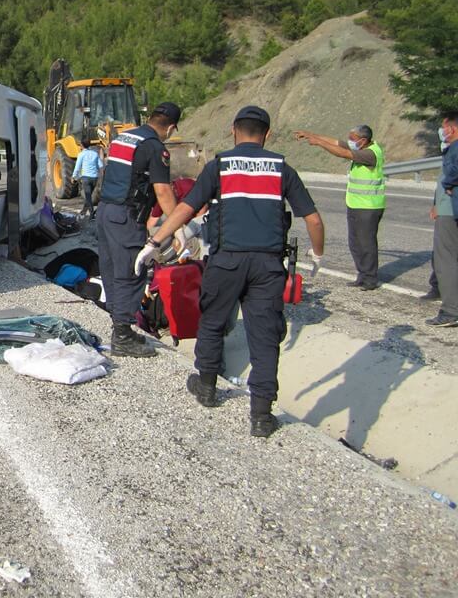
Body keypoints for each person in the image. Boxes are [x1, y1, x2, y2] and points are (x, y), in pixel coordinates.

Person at [136, 106, 325, 437]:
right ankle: (262, 415)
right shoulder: (283, 169)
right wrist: (318, 254)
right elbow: (313, 219)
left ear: (234, 131)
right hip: (267, 265)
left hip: (226, 262)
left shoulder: (219, 166)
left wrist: (155, 242)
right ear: (266, 135)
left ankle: (206, 386)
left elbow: (185, 208)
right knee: (264, 336)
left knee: (212, 321)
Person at [97, 101, 183, 357]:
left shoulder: (124, 137)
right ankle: (122, 336)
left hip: (105, 212)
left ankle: (119, 325)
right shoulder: (154, 146)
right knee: (131, 272)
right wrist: (177, 226)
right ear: (172, 127)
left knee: (111, 269)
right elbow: (163, 191)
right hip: (126, 215)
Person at [293, 124, 385, 290]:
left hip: (368, 206)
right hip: (356, 204)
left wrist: (319, 143)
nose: (349, 141)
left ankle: (370, 278)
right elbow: (337, 143)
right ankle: (362, 275)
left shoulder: (370, 153)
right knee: (355, 242)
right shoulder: (362, 147)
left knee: (366, 243)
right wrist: (311, 135)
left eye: (353, 139)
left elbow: (343, 152)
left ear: (363, 140)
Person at [427, 112, 458, 328]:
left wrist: (447, 184)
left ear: (452, 129)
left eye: (443, 127)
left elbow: (452, 173)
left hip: (450, 210)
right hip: (447, 207)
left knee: (445, 259)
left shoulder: (454, 149)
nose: (442, 131)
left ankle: (451, 311)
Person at [72, 136, 101, 218]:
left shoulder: (81, 154)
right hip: (95, 178)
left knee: (88, 197)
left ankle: (92, 214)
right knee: (89, 195)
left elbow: (77, 167)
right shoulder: (95, 153)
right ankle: (83, 211)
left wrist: (74, 177)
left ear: (81, 145)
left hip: (86, 178)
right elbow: (100, 165)